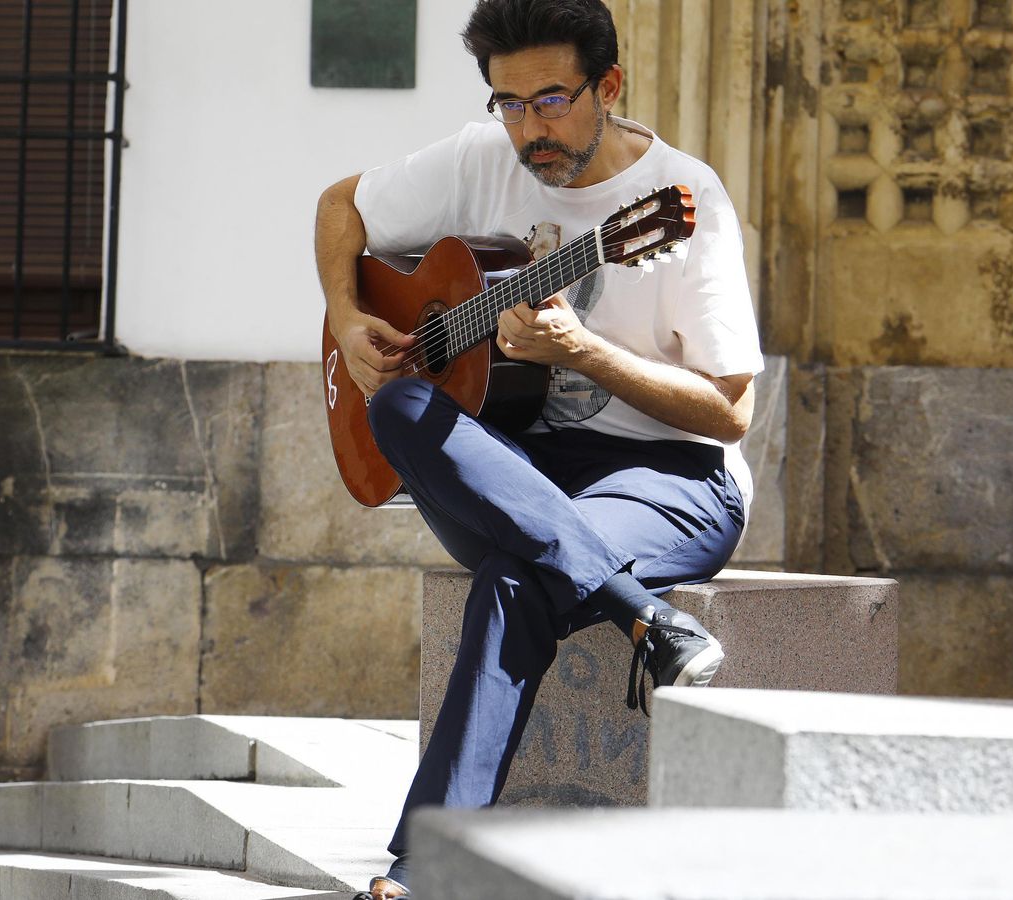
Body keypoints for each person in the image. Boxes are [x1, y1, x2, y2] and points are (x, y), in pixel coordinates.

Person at [315, 1, 762, 896]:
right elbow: (339, 207)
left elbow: (729, 412)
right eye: (509, 104)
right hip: (518, 472)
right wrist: (347, 314)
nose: (530, 130)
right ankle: (646, 616)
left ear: (610, 86)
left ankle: (425, 865)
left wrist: (585, 353)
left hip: (670, 476)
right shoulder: (480, 158)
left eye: (552, 101)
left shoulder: (683, 198)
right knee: (398, 405)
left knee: (515, 580)